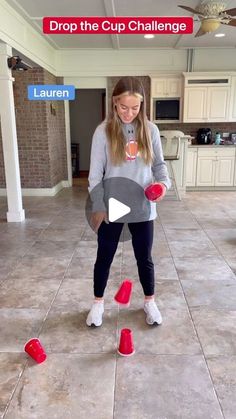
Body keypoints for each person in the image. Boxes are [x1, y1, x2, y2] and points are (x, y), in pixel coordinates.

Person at [86, 76, 171, 327]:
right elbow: (94, 175)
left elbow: (160, 168)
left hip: (143, 207)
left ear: (142, 106)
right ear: (114, 103)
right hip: (113, 206)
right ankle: (98, 304)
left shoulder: (151, 130)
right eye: (124, 107)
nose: (129, 113)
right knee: (104, 256)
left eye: (135, 108)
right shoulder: (103, 131)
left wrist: (162, 186)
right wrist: (99, 206)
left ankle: (149, 301)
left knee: (144, 258)